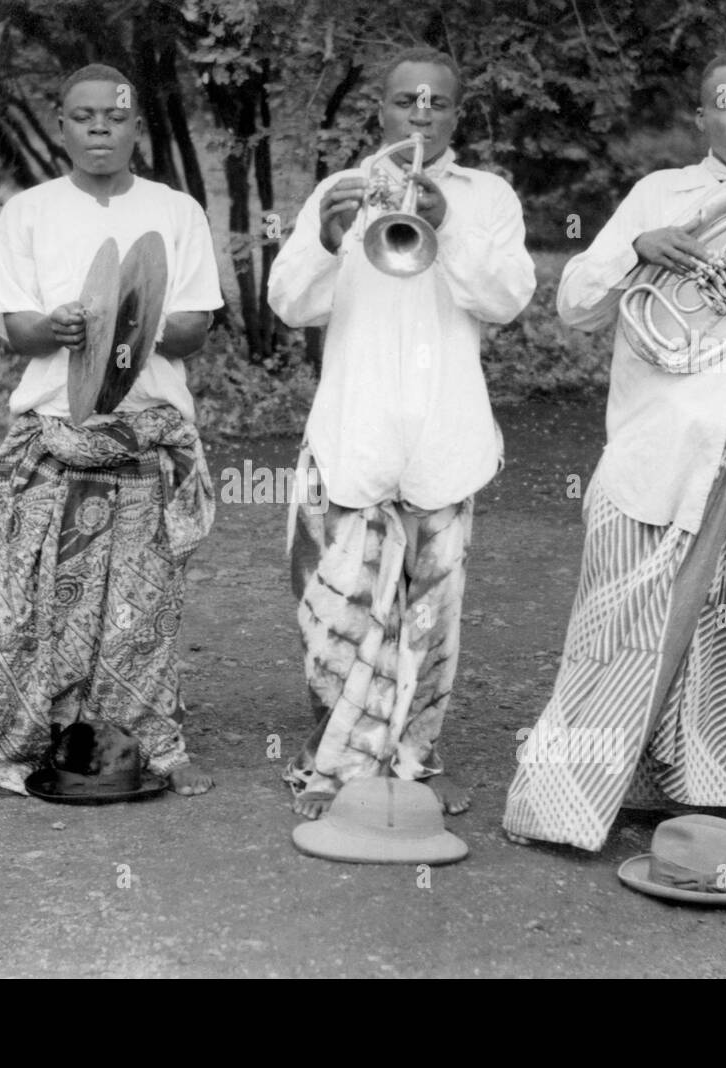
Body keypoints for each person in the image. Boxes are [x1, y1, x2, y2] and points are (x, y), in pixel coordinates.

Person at [502, 49, 726, 852]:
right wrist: (638, 251)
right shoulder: (657, 194)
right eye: (725, 102)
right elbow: (575, 304)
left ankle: (694, 794)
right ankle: (559, 802)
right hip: (657, 452)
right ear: (700, 116)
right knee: (615, 623)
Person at [268, 47, 537, 819]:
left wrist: (446, 227)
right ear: (380, 109)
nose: (422, 112)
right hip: (354, 431)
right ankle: (335, 765)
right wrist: (326, 236)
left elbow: (509, 297)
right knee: (337, 618)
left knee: (430, 618)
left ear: (457, 113)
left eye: (438, 102)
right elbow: (289, 302)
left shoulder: (488, 197)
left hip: (445, 435)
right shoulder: (341, 187)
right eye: (405, 100)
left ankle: (415, 760)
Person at [0, 64, 221, 798]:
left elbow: (193, 328)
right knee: (33, 605)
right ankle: (19, 743)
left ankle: (130, 750)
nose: (100, 129)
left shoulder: (178, 212)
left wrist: (140, 317)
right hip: (55, 441)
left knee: (140, 611)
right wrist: (60, 325)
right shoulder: (28, 214)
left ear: (136, 128)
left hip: (142, 438)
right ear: (61, 123)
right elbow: (17, 332)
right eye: (85, 116)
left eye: (115, 117)